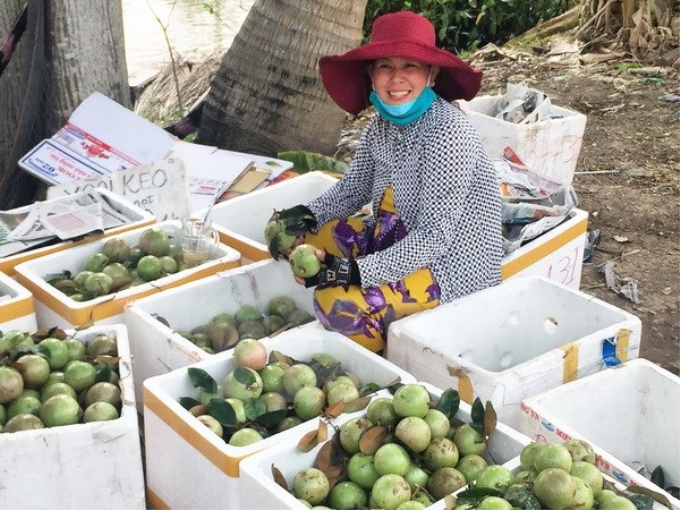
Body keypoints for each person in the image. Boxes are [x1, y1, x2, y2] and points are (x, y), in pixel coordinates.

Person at [266, 10, 503, 353]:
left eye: (410, 66)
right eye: (385, 66)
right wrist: (300, 215)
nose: (396, 80)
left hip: (447, 265)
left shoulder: (449, 133)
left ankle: (386, 345)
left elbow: (433, 238)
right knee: (300, 236)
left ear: (432, 74)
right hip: (391, 238)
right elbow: (352, 190)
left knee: (338, 307)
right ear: (371, 74)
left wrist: (350, 272)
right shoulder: (380, 126)